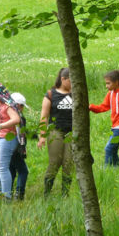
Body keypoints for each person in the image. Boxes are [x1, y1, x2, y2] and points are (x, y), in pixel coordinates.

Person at [38, 67, 73, 196]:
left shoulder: (76, 93)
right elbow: (44, 116)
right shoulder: (51, 94)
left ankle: (65, 193)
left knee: (68, 163)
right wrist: (42, 136)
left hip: (72, 133)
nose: (73, 83)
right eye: (71, 80)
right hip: (56, 131)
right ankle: (47, 193)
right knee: (55, 162)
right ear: (63, 79)